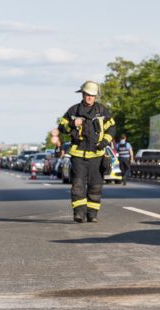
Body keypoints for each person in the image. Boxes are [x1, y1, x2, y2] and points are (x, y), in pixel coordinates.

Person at [58, 80, 116, 223]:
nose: (89, 97)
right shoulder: (73, 111)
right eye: (87, 94)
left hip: (97, 155)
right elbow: (62, 127)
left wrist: (104, 142)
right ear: (82, 94)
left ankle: (92, 214)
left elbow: (112, 128)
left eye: (92, 95)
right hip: (78, 156)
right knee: (78, 186)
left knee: (95, 186)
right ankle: (79, 213)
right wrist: (72, 123)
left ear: (95, 96)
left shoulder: (102, 111)